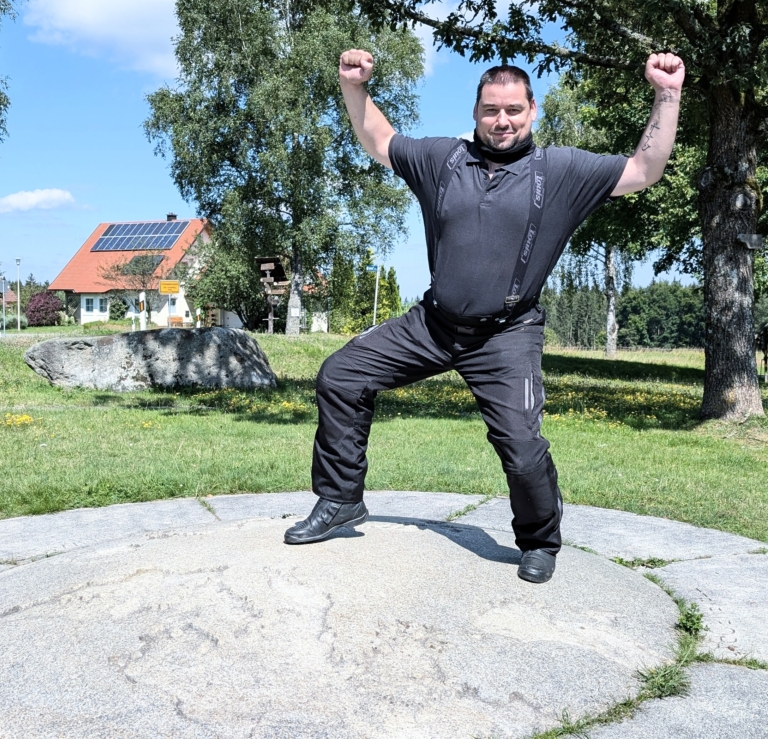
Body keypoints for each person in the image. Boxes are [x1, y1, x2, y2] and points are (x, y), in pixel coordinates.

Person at [284, 48, 684, 583]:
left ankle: (540, 541)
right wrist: (354, 86)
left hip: (507, 336)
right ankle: (340, 501)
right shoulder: (443, 159)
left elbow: (644, 168)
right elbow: (379, 139)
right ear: (475, 112)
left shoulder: (563, 170)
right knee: (341, 376)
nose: (502, 120)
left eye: (513, 110)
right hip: (432, 325)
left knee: (521, 450)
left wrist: (668, 94)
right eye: (491, 110)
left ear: (532, 110)